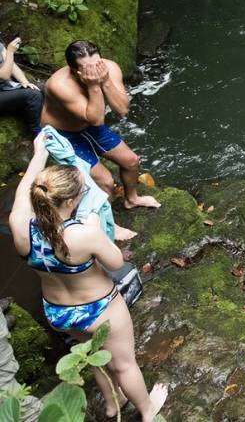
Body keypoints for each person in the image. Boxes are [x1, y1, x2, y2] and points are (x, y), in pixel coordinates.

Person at [8, 132, 168, 421]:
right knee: (124, 364)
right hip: (100, 308)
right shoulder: (82, 233)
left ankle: (111, 402)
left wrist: (39, 154)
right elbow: (116, 261)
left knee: (92, 354)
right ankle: (147, 410)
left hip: (58, 311)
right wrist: (95, 226)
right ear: (70, 202)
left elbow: (22, 193)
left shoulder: (20, 226)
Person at [41, 40, 160, 209]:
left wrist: (105, 81)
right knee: (105, 181)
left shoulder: (109, 68)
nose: (95, 70)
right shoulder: (59, 85)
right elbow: (96, 119)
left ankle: (132, 199)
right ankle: (107, 224)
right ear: (75, 71)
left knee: (131, 161)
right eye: (87, 68)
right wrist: (94, 85)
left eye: (97, 64)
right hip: (61, 133)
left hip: (87, 126)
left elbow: (122, 110)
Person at [0, 36, 44, 133]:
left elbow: (12, 65)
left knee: (43, 87)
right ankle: (37, 132)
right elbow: (4, 75)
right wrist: (10, 52)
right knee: (33, 95)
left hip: (6, 87)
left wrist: (25, 82)